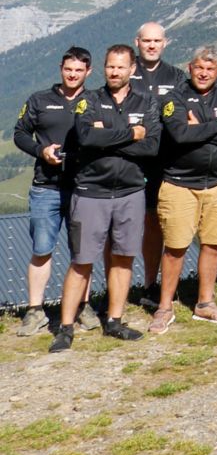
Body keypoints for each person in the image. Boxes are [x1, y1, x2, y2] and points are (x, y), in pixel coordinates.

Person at [49, 43, 154, 352]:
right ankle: (65, 328)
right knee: (81, 260)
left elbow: (151, 146)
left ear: (132, 69)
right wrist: (131, 133)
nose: (114, 72)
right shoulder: (89, 100)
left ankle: (115, 321)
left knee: (123, 258)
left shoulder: (146, 102)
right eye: (110, 66)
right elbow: (86, 137)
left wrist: (105, 136)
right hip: (91, 192)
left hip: (130, 191)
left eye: (120, 67)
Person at [151, 47, 217, 332]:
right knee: (175, 247)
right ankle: (164, 307)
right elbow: (180, 135)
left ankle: (205, 303)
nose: (204, 73)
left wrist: (201, 128)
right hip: (180, 184)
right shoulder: (174, 97)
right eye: (199, 68)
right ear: (190, 68)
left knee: (213, 244)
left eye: (210, 69)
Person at [12, 46, 92, 336]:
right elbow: (20, 133)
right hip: (46, 186)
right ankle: (35, 311)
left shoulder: (95, 100)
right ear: (61, 69)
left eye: (78, 70)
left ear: (88, 72)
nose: (72, 75)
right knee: (41, 250)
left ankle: (83, 306)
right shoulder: (39, 100)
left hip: (84, 188)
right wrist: (40, 151)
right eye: (68, 69)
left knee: (82, 252)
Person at [127, 21, 184, 313]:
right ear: (137, 42)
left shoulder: (176, 76)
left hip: (168, 160)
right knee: (130, 224)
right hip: (132, 160)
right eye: (146, 40)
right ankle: (135, 285)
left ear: (165, 43)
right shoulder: (126, 71)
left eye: (157, 41)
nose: (151, 45)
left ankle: (160, 283)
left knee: (164, 222)